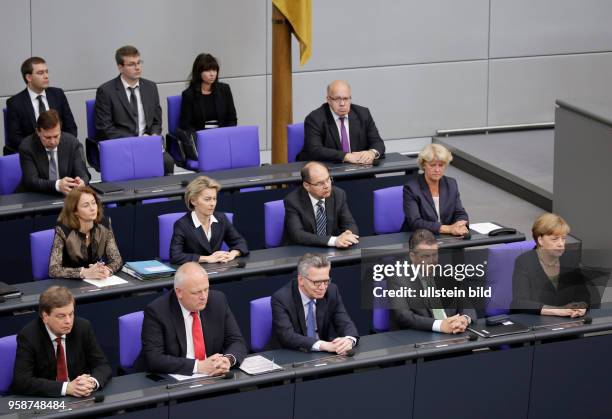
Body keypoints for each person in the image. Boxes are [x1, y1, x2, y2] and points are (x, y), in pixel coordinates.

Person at [139, 262, 247, 376]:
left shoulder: (218, 301)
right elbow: (154, 359)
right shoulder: (157, 311)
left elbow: (236, 341)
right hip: (177, 378)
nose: (204, 297)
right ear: (179, 292)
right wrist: (198, 366)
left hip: (213, 376)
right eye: (196, 292)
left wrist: (227, 360)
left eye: (206, 289)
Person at [11, 286, 111, 397]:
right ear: (45, 316)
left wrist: (90, 382)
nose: (68, 321)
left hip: (80, 396)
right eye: (61, 316)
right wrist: (66, 388)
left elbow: (102, 365)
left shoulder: (82, 327)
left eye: (71, 314)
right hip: (48, 400)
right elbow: (21, 381)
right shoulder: (29, 336)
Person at [94, 45, 174, 174]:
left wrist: (153, 135)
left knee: (167, 162)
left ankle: (160, 193)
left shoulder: (150, 87)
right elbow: (105, 128)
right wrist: (136, 142)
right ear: (120, 67)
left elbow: (156, 121)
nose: (137, 67)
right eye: (131, 64)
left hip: (147, 143)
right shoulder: (106, 91)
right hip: (122, 146)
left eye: (139, 63)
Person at [389, 229, 476, 333]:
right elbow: (403, 316)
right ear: (412, 256)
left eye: (434, 255)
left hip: (454, 333)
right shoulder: (398, 278)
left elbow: (466, 305)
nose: (431, 261)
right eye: (425, 256)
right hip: (421, 337)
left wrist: (465, 319)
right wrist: (440, 325)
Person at [271, 253, 358, 353]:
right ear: (301, 280)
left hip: (323, 351)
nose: (322, 287)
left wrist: (349, 340)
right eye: (317, 282)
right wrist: (323, 345)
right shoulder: (282, 298)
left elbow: (344, 322)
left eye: (326, 281)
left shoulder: (332, 290)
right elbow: (287, 336)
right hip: (292, 352)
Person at [510, 213, 592, 317]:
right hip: (538, 323)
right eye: (555, 239)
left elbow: (584, 296)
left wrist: (581, 306)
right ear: (540, 240)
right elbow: (519, 303)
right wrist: (557, 311)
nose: (561, 244)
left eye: (563, 238)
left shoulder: (571, 259)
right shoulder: (524, 262)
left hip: (569, 322)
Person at [298, 80, 385, 164]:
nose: (342, 103)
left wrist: (372, 153)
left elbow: (378, 142)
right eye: (337, 99)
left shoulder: (363, 114)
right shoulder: (315, 119)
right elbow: (315, 150)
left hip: (360, 170)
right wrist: (346, 156)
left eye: (346, 98)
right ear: (328, 100)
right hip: (329, 171)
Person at [5, 57, 77, 155]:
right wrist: (41, 148)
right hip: (33, 154)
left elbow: (71, 127)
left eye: (47, 72)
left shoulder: (58, 94)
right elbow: (14, 138)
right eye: (40, 73)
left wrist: (58, 146)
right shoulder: (15, 103)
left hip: (60, 150)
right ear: (28, 77)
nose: (46, 76)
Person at [170, 176, 248, 265]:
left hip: (218, 270)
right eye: (207, 199)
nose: (212, 204)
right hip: (194, 272)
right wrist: (207, 258)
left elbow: (240, 242)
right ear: (193, 201)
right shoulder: (182, 224)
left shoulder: (221, 218)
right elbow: (175, 256)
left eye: (214, 199)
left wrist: (232, 254)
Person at [48, 186, 122, 279]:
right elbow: (53, 270)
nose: (92, 208)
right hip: (70, 284)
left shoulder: (104, 224)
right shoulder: (63, 230)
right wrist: (84, 273)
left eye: (93, 203)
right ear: (75, 211)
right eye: (86, 205)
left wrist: (107, 270)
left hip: (96, 281)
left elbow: (117, 260)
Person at [283, 161, 359, 248]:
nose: (326, 186)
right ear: (306, 185)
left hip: (330, 250)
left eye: (328, 179)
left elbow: (349, 223)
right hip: (302, 250)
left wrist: (348, 235)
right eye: (320, 183)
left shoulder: (338, 194)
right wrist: (334, 241)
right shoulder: (293, 201)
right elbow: (298, 235)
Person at [402, 143, 469, 236]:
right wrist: (448, 229)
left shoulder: (451, 184)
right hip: (419, 237)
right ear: (424, 165)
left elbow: (460, 212)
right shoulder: (411, 188)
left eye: (441, 165)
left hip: (446, 237)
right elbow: (415, 222)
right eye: (433, 165)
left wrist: (460, 224)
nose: (437, 170)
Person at [18, 109, 90, 195]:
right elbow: (31, 181)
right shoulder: (27, 147)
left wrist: (81, 182)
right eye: (47, 137)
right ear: (38, 132)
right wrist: (57, 185)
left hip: (66, 197)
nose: (52, 141)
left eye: (56, 136)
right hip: (36, 196)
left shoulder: (72, 143)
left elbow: (84, 174)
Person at [179, 53, 237, 131]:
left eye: (214, 70)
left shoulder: (224, 90)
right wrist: (202, 138)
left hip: (223, 136)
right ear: (199, 72)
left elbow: (232, 119)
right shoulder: (189, 95)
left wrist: (226, 135)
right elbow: (186, 125)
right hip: (201, 138)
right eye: (207, 70)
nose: (212, 74)